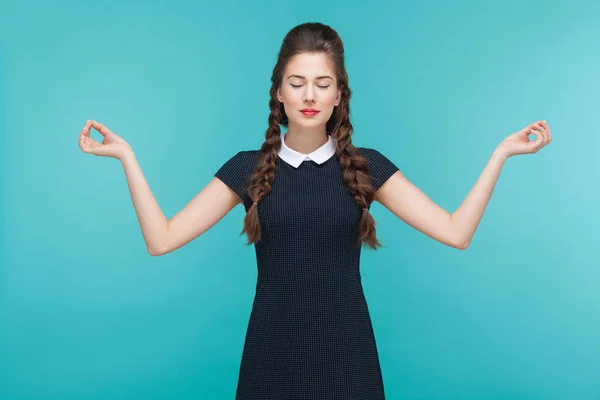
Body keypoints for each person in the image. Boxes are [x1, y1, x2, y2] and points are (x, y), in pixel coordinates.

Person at [77, 21, 552, 400]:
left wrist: (500, 155)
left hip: (349, 361)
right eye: (297, 83)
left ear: (339, 94)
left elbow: (455, 231)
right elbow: (161, 239)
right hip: (270, 359)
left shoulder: (367, 167)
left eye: (322, 84)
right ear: (279, 93)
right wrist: (127, 158)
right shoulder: (248, 169)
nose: (309, 96)